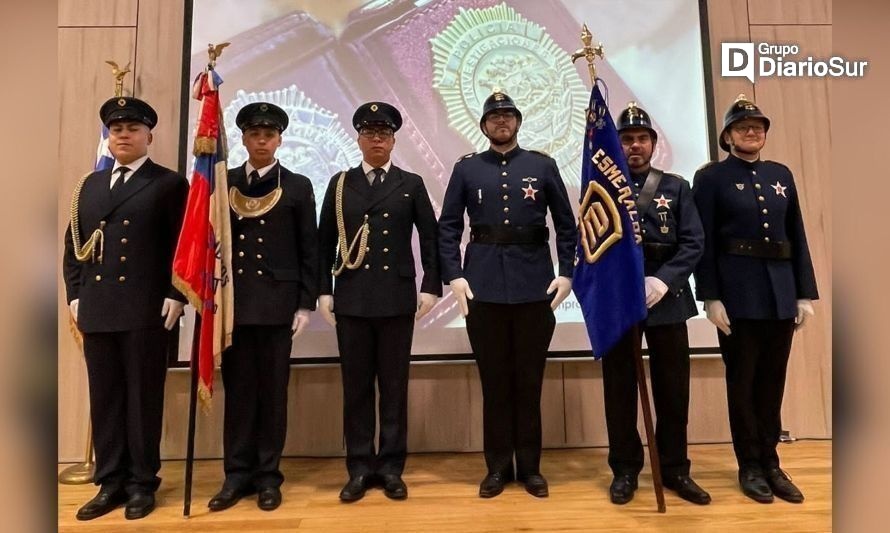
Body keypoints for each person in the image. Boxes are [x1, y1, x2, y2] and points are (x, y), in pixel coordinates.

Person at [438, 89, 577, 498]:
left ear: (518, 122)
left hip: (535, 286)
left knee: (529, 381)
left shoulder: (543, 165)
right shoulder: (467, 170)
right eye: (494, 117)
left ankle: (531, 467)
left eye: (508, 116)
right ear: (483, 125)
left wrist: (566, 273)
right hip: (482, 288)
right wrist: (455, 276)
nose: (501, 122)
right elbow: (448, 226)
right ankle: (497, 467)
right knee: (495, 381)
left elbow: (566, 225)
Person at [63, 96, 188, 520]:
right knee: (106, 399)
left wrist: (178, 294)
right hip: (98, 309)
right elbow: (73, 245)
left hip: (145, 308)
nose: (123, 135)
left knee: (142, 400)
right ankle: (110, 481)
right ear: (108, 136)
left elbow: (183, 246)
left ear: (149, 136)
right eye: (116, 129)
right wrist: (75, 294)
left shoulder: (168, 183)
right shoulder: (90, 185)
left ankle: (141, 483)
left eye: (133, 129)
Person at [692, 94, 819, 504]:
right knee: (742, 383)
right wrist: (710, 296)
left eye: (759, 126)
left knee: (772, 382)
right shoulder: (710, 178)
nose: (753, 131)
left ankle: (772, 461)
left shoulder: (780, 174)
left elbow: (796, 235)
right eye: (744, 126)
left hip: (780, 293)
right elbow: (705, 242)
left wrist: (803, 292)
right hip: (738, 293)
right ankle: (749, 464)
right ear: (727, 136)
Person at [318, 101, 441, 502]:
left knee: (393, 388)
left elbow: (430, 238)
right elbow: (323, 244)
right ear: (358, 138)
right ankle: (358, 467)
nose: (376, 140)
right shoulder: (339, 184)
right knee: (355, 389)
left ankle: (390, 467)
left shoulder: (411, 183)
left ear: (393, 140)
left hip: (395, 300)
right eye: (370, 133)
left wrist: (431, 286)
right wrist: (323, 290)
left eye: (384, 134)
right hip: (351, 299)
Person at [207, 102, 319, 512]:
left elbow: (310, 247)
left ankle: (269, 476)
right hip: (234, 306)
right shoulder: (224, 180)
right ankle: (236, 475)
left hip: (277, 306)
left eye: (269, 135)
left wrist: (304, 303)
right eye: (255, 134)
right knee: (238, 394)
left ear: (279, 140)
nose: (261, 141)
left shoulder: (298, 185)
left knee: (272, 395)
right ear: (243, 138)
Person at [600, 102, 709, 505]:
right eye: (626, 139)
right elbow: (591, 244)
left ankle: (675, 469)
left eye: (641, 138)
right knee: (620, 390)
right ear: (617, 144)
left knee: (673, 389)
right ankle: (625, 470)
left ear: (653, 143)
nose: (634, 146)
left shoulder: (676, 186)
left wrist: (664, 281)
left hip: (668, 299)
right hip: (619, 302)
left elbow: (694, 241)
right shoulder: (602, 187)